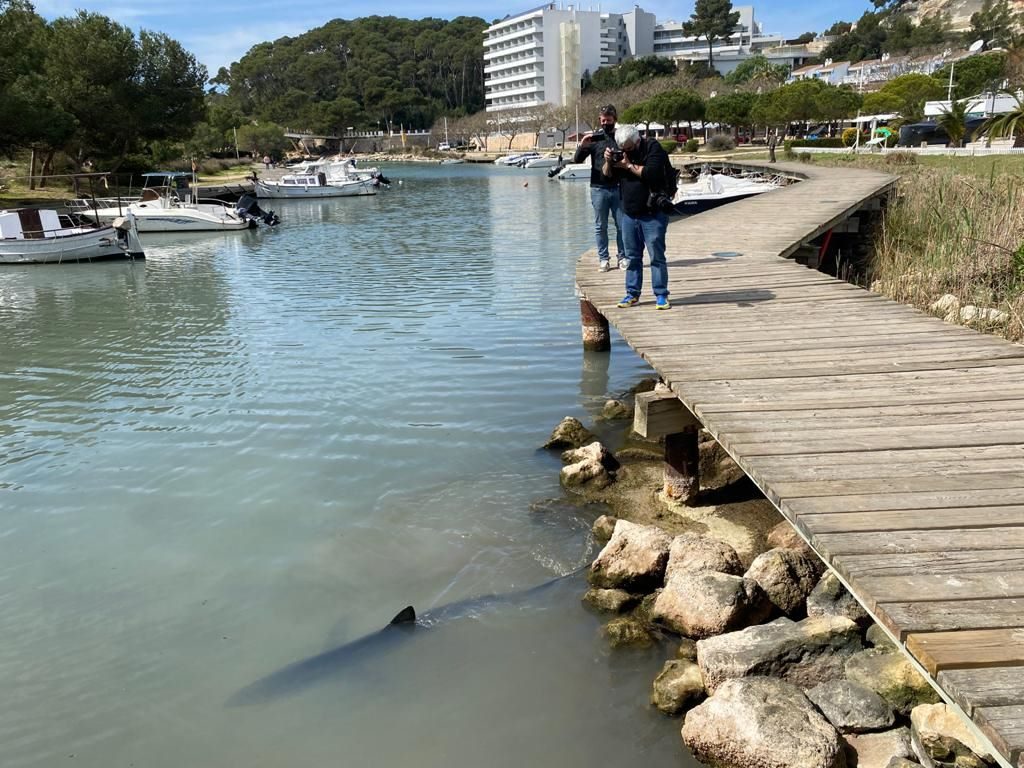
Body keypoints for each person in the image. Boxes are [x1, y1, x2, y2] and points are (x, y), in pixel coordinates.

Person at [603, 123, 671, 310]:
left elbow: (652, 174)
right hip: (629, 214)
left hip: (653, 213)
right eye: (623, 149)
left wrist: (628, 165)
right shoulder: (620, 151)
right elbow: (607, 176)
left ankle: (661, 295)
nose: (626, 151)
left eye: (630, 148)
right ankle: (632, 294)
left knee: (656, 256)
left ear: (637, 140)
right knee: (632, 258)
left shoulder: (652, 148)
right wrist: (609, 161)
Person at [573, 104, 626, 272]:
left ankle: (623, 257)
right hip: (598, 188)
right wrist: (583, 145)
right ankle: (604, 259)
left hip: (618, 186)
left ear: (615, 120)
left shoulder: (621, 137)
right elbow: (577, 160)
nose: (605, 123)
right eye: (603, 120)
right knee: (600, 226)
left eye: (608, 120)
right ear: (599, 120)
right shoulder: (594, 139)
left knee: (621, 225)